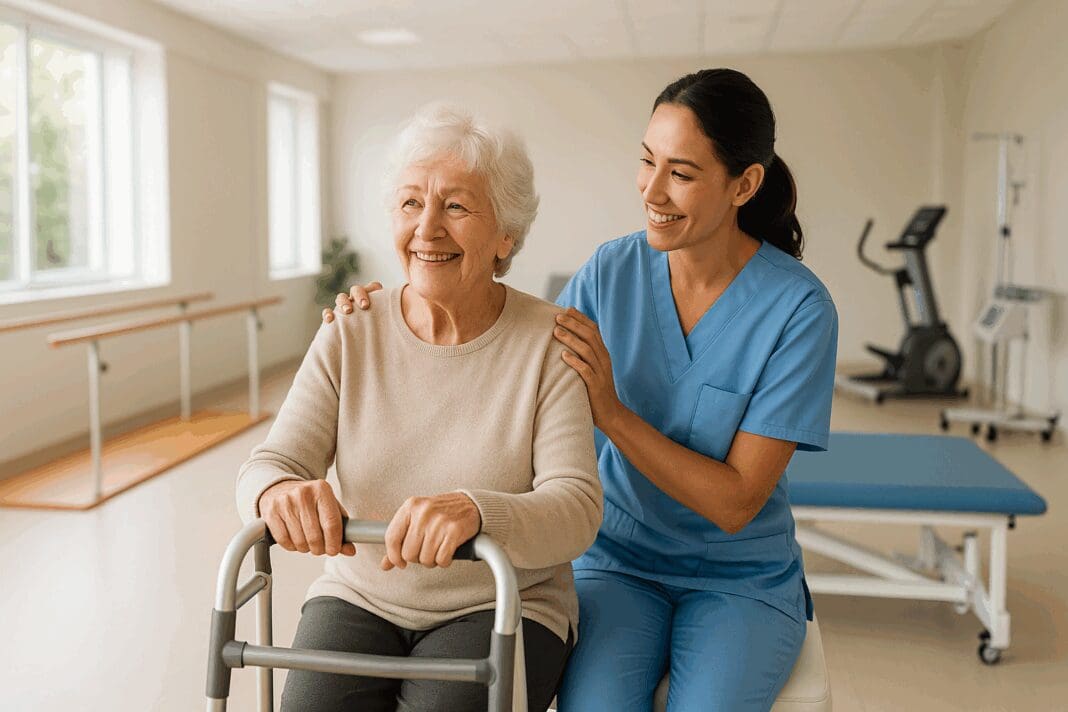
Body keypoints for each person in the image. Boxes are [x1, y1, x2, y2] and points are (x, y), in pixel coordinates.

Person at [329, 68, 837, 712]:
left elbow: (736, 502)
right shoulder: (612, 270)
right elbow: (506, 359)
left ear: (745, 184)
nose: (652, 191)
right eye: (647, 162)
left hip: (738, 577)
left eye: (681, 174)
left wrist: (612, 414)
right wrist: (393, 310)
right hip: (617, 562)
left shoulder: (798, 308)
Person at [239, 103, 603, 712]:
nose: (427, 227)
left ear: (506, 234)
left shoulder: (550, 342)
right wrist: (276, 492)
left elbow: (577, 509)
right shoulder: (350, 330)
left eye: (456, 206)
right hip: (361, 597)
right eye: (411, 204)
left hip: (503, 599)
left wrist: (478, 513)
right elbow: (268, 462)